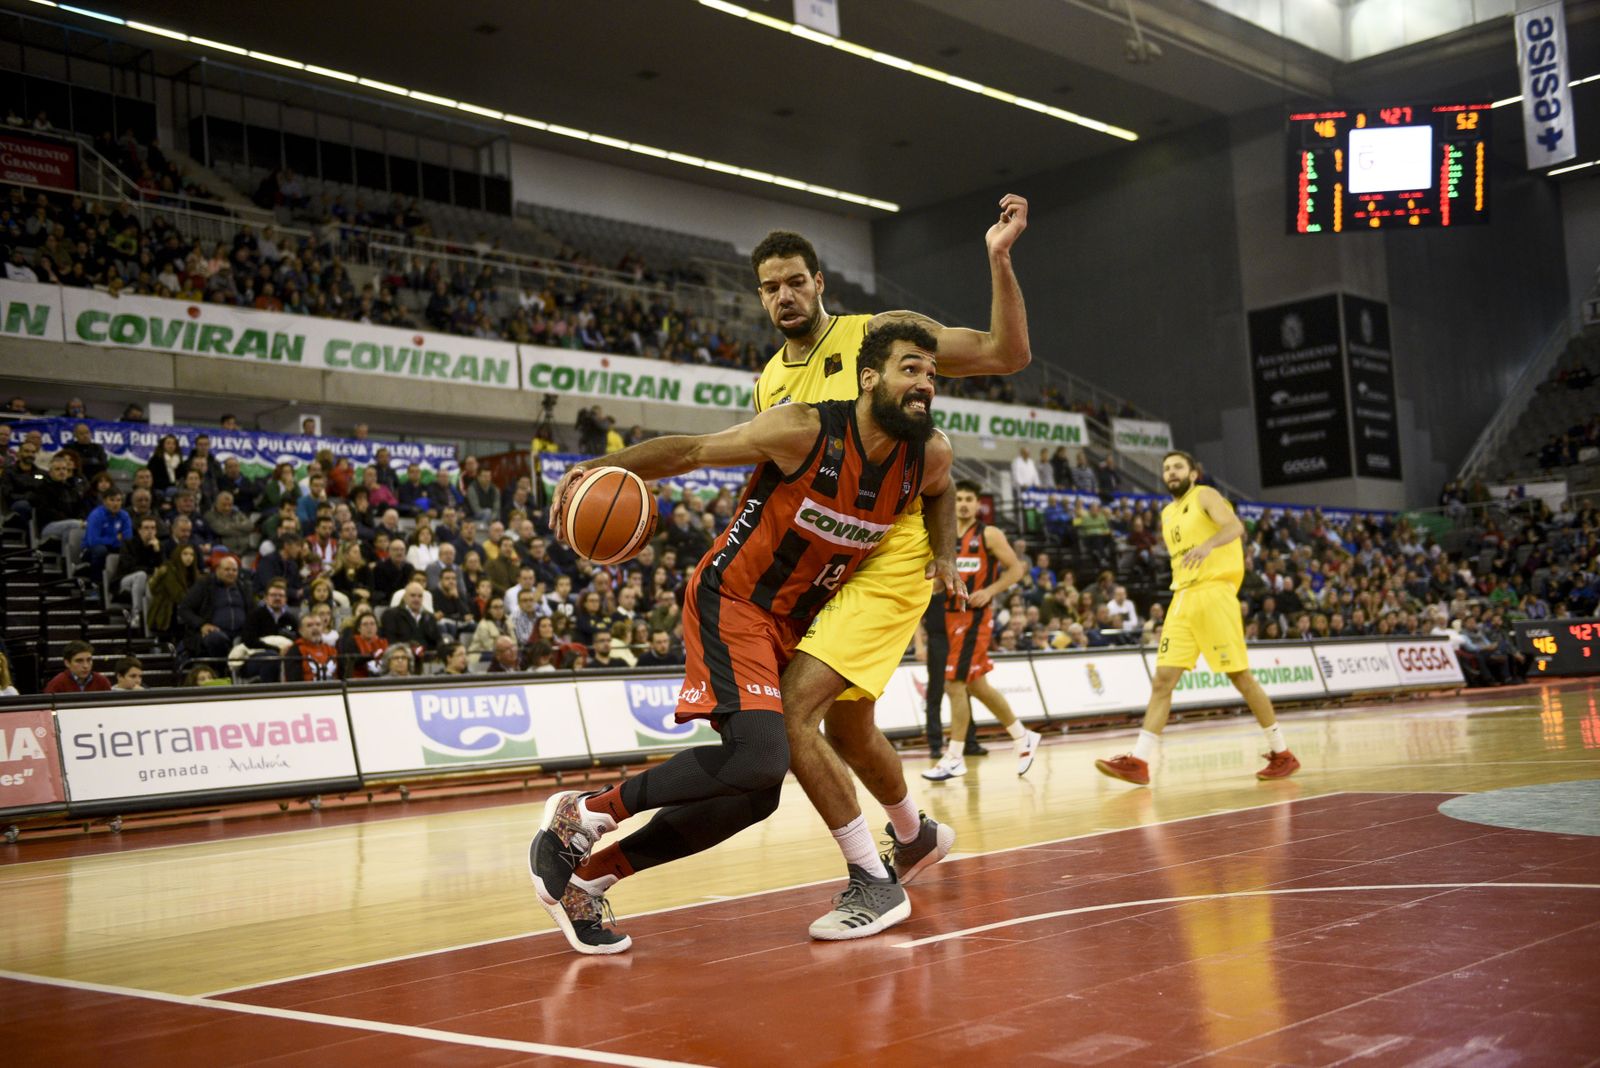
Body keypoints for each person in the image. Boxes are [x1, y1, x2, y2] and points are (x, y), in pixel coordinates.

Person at [533, 320, 959, 954]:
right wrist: (596, 467)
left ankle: (589, 880)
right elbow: (691, 452)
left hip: (791, 622)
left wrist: (945, 553)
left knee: (756, 793)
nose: (924, 382)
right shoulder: (803, 429)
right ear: (869, 378)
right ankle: (588, 812)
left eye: (931, 373)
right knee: (763, 757)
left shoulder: (929, 456)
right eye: (910, 369)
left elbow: (943, 493)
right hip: (734, 600)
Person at [729, 200, 1031, 937]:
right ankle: (915, 834)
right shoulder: (769, 382)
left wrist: (998, 258)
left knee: (792, 713)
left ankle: (872, 880)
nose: (785, 295)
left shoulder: (880, 336)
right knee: (848, 723)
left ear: (819, 282)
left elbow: (1004, 353)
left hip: (889, 552)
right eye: (771, 287)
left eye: (795, 281)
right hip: (824, 562)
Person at [1095, 450, 1300, 786]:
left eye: (1178, 467)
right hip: (1182, 598)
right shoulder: (1167, 513)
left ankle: (1282, 753)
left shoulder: (1205, 495)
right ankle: (1139, 761)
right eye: (1166, 468)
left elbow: (1234, 526)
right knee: (1162, 680)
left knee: (1240, 677)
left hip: (1214, 593)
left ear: (1192, 474)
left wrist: (1208, 545)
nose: (1171, 472)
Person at [921, 480, 1039, 781]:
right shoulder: (945, 536)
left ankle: (954, 756)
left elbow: (1016, 569)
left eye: (968, 499)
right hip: (950, 614)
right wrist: (935, 585)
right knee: (977, 686)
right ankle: (1022, 736)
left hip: (974, 616)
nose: (963, 504)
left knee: (954, 685)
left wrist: (989, 591)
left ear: (978, 504)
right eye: (959, 498)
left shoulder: (989, 534)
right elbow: (943, 577)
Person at [44, 640, 112, 693]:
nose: (85, 666)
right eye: (79, 661)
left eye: (89, 660)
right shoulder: (56, 684)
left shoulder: (102, 682)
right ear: (67, 663)